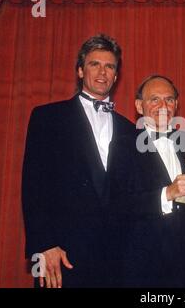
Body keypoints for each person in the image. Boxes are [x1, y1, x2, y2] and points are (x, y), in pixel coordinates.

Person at [22, 34, 135, 288]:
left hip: (116, 260)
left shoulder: (131, 130)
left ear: (116, 76)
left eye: (110, 66)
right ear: (80, 70)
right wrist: (44, 244)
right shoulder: (47, 117)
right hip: (61, 256)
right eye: (95, 64)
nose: (102, 72)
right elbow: (34, 185)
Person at [106, 75, 185, 287]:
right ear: (139, 106)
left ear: (176, 104)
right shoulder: (123, 146)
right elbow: (118, 203)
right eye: (154, 100)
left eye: (169, 99)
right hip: (143, 264)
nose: (163, 106)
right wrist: (167, 193)